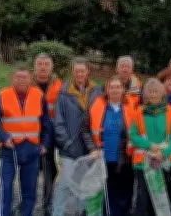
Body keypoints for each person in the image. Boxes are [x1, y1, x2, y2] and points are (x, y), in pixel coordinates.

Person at [0, 67, 52, 216]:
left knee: (29, 191)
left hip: (32, 150)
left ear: (30, 79)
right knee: (6, 189)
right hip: (9, 150)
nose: (21, 80)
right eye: (18, 77)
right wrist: (3, 137)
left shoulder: (39, 95)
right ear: (12, 78)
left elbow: (47, 123)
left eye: (25, 77)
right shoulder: (3, 95)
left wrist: (45, 145)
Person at [52, 56, 103, 216]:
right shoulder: (63, 93)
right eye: (76, 71)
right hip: (69, 147)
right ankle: (57, 212)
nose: (79, 74)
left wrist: (97, 144)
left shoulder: (97, 91)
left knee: (83, 182)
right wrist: (66, 143)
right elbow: (58, 121)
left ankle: (81, 211)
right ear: (72, 72)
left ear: (88, 71)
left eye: (82, 70)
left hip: (89, 147)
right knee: (66, 182)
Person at [82, 76, 134, 216]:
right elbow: (85, 129)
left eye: (118, 87)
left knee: (122, 194)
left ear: (123, 90)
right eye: (112, 87)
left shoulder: (131, 107)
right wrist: (92, 148)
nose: (115, 90)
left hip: (125, 159)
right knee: (103, 195)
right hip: (101, 159)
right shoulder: (96, 106)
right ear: (107, 90)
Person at [130, 78, 171, 216]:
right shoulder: (138, 111)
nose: (153, 94)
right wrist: (149, 145)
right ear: (145, 94)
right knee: (143, 199)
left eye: (156, 91)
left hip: (164, 162)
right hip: (144, 162)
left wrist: (164, 153)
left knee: (161, 199)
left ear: (162, 94)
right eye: (150, 92)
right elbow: (133, 135)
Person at [32, 53, 63, 214]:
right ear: (35, 66)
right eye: (40, 64)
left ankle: (47, 203)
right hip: (31, 134)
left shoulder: (60, 85)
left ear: (52, 67)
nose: (43, 67)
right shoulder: (27, 84)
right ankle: (28, 201)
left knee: (50, 169)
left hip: (51, 134)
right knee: (31, 170)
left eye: (46, 64)